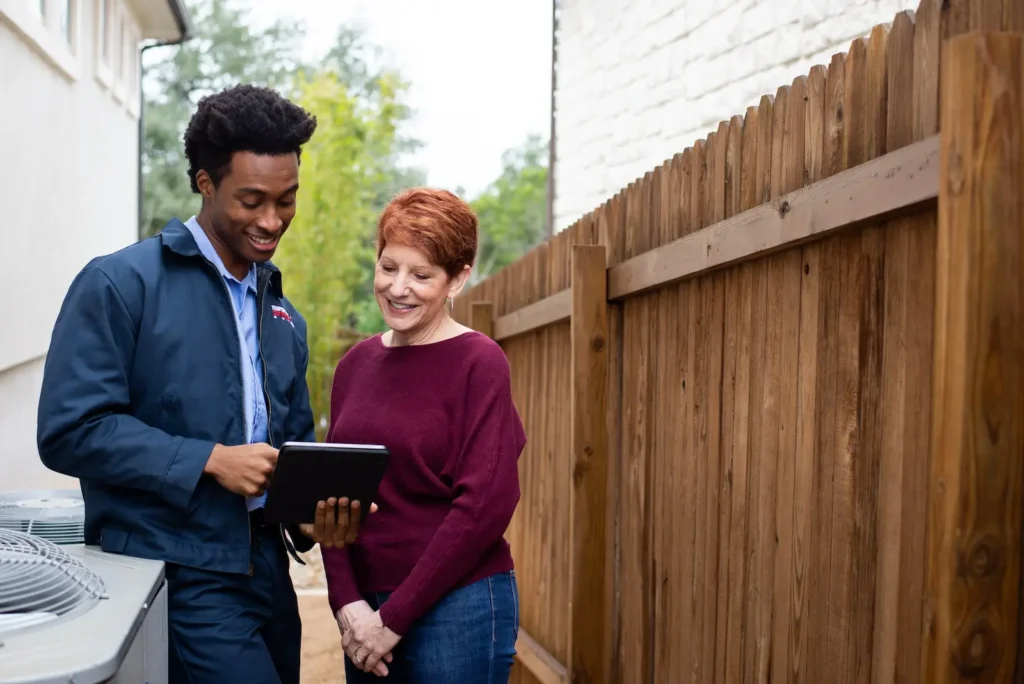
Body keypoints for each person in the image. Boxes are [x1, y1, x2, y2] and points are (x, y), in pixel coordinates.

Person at [36, 84, 372, 684]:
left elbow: (290, 456)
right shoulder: (119, 285)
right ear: (205, 183)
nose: (272, 220)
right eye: (252, 200)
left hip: (268, 578)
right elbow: (69, 430)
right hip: (177, 571)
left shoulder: (283, 316)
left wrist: (311, 518)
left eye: (287, 199)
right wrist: (209, 460)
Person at [321, 187, 526, 682]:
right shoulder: (355, 366)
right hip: (364, 610)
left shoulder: (479, 363)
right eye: (389, 267)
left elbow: (483, 506)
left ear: (457, 279)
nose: (398, 288)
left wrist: (393, 618)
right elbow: (329, 494)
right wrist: (346, 602)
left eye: (421, 274)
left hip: (458, 607)